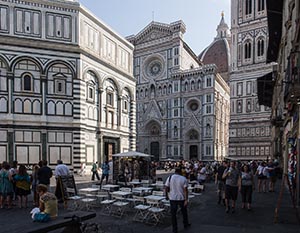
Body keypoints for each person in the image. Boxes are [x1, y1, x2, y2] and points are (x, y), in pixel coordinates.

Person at [165, 167, 191, 233]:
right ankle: (185, 224)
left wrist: (166, 195)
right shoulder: (183, 178)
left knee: (173, 215)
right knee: (184, 212)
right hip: (181, 198)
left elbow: (166, 187)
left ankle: (175, 229)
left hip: (172, 198)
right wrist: (186, 199)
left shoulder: (170, 177)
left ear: (175, 172)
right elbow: (185, 190)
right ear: (180, 172)